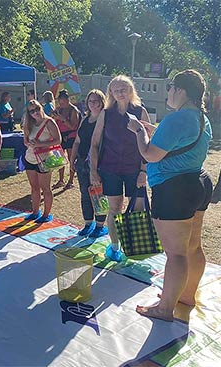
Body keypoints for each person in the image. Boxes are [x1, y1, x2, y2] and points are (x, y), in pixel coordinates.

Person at [131, 70, 214, 322]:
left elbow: (150, 154)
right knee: (192, 247)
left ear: (181, 90)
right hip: (198, 183)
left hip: (174, 188)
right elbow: (181, 140)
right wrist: (153, 129)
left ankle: (165, 309)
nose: (168, 91)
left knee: (176, 254)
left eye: (170, 87)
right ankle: (186, 296)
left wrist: (138, 131)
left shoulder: (176, 119)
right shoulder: (200, 118)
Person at [90, 75, 151, 262]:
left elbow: (148, 144)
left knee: (137, 209)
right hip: (110, 169)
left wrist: (143, 171)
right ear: (111, 93)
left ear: (131, 90)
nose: (120, 93)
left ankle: (135, 248)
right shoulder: (106, 114)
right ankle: (115, 247)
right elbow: (94, 144)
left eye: (123, 89)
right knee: (115, 209)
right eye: (115, 90)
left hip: (135, 169)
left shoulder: (140, 112)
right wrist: (93, 171)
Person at [72, 89, 109, 237]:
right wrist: (72, 159)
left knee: (99, 194)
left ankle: (100, 225)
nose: (93, 104)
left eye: (96, 101)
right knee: (85, 193)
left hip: (100, 164)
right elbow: (77, 141)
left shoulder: (105, 120)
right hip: (82, 162)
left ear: (102, 102)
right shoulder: (84, 120)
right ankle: (88, 223)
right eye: (90, 101)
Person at [22, 99, 62, 222]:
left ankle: (46, 214)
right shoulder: (28, 124)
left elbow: (58, 140)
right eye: (32, 111)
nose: (35, 112)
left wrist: (40, 144)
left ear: (41, 107)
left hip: (44, 159)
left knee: (46, 188)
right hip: (30, 158)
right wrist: (29, 143)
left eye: (37, 109)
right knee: (34, 187)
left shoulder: (49, 122)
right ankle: (35, 212)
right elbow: (25, 140)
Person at [53, 90, 81, 189]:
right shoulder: (59, 109)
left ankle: (71, 180)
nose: (62, 104)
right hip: (60, 136)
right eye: (60, 102)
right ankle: (61, 180)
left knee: (71, 159)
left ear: (68, 100)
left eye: (63, 102)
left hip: (71, 136)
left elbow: (73, 126)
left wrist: (63, 119)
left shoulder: (73, 110)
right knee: (59, 159)